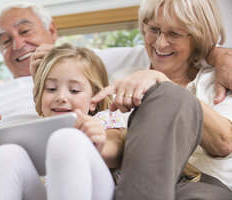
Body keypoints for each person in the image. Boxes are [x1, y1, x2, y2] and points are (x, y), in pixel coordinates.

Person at [0, 1, 231, 200]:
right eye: (5, 40)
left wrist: (215, 52)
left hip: (98, 168)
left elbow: (116, 139)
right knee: (4, 156)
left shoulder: (111, 88)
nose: (160, 42)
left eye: (25, 31)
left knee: (67, 140)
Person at [90, 0, 232, 199]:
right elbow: (114, 134)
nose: (160, 42)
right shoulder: (124, 79)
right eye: (154, 29)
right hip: (137, 180)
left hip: (205, 183)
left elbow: (224, 142)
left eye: (174, 34)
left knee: (169, 95)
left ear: (198, 37)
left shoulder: (218, 78)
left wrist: (162, 83)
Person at [0, 43, 126, 200]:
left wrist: (101, 145)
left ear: (94, 99)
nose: (61, 97)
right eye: (51, 89)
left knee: (66, 138)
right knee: (5, 154)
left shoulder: (102, 120)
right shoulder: (33, 133)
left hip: (95, 191)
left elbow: (118, 150)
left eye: (74, 90)